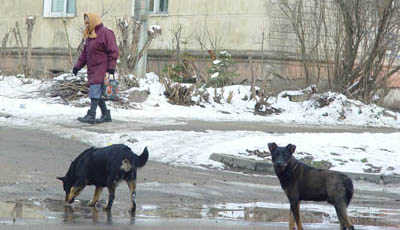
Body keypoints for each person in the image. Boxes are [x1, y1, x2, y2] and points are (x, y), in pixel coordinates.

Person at [73, 13, 119, 124]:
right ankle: (106, 114)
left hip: (102, 68)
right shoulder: (90, 35)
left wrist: (111, 67)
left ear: (94, 20)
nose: (87, 24)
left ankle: (92, 115)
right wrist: (77, 66)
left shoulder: (106, 33)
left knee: (94, 90)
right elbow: (85, 54)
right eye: (86, 22)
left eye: (88, 22)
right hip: (92, 69)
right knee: (96, 92)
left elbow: (113, 51)